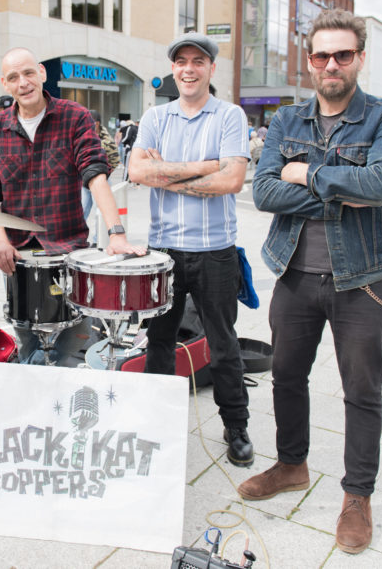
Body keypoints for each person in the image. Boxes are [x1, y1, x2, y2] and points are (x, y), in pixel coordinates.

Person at [243, 9, 382, 555]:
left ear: (360, 58)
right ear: (309, 62)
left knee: (362, 391)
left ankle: (356, 496)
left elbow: (380, 185)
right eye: (321, 56)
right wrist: (343, 187)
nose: (330, 65)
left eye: (342, 55)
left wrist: (308, 173)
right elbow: (264, 192)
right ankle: (292, 464)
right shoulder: (288, 122)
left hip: (361, 278)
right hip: (293, 271)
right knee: (286, 375)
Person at [128, 32, 254, 468]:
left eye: (197, 61)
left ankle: (236, 425)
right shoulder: (155, 117)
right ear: (173, 69)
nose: (188, 68)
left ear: (210, 69)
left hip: (216, 250)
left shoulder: (230, 116)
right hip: (164, 250)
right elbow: (137, 172)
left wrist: (167, 172)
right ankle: (155, 419)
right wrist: (205, 166)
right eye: (180, 61)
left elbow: (231, 181)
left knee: (223, 344)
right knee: (159, 340)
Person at [0, 47, 144, 364]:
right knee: (26, 346)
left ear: (41, 73)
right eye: (13, 77)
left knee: (75, 347)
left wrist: (117, 234)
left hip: (69, 248)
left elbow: (96, 176)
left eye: (28, 73)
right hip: (20, 257)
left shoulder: (75, 117)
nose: (23, 82)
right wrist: (0, 241)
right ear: (5, 84)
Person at [81, 109, 120, 242]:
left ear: (96, 123)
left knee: (100, 213)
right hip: (84, 183)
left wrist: (105, 174)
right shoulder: (82, 134)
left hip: (101, 182)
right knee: (81, 212)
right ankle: (78, 239)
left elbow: (115, 160)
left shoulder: (107, 140)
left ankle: (98, 240)